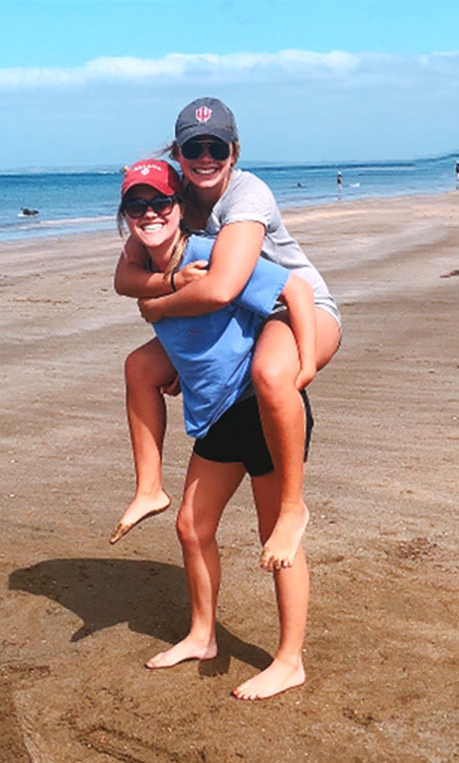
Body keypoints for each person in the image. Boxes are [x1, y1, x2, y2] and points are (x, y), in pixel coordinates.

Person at [114, 158, 318, 700]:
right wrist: (159, 300)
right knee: (191, 527)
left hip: (260, 409)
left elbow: (295, 290)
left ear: (181, 209)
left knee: (276, 536)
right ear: (125, 217)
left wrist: (307, 365)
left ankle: (289, 659)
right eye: (138, 206)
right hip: (218, 414)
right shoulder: (151, 269)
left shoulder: (209, 255)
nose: (150, 213)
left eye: (160, 204)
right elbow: (134, 294)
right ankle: (202, 635)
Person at [113, 98, 342, 572]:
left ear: (233, 151)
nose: (204, 157)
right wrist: (171, 286)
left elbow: (220, 289)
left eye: (215, 146)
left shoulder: (247, 195)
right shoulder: (167, 198)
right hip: (240, 320)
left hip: (298, 309)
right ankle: (149, 488)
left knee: (270, 372)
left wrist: (155, 308)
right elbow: (126, 278)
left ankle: (292, 506)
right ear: (178, 153)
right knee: (141, 366)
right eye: (193, 147)